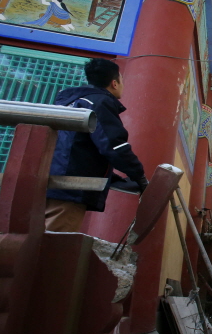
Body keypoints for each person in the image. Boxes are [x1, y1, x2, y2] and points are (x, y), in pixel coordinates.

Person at [45, 58, 148, 232]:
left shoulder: (72, 102)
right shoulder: (99, 103)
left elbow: (77, 147)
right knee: (55, 240)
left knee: (39, 235)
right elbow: (114, 145)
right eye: (122, 80)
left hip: (51, 177)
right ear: (114, 83)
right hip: (69, 186)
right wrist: (139, 176)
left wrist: (112, 178)